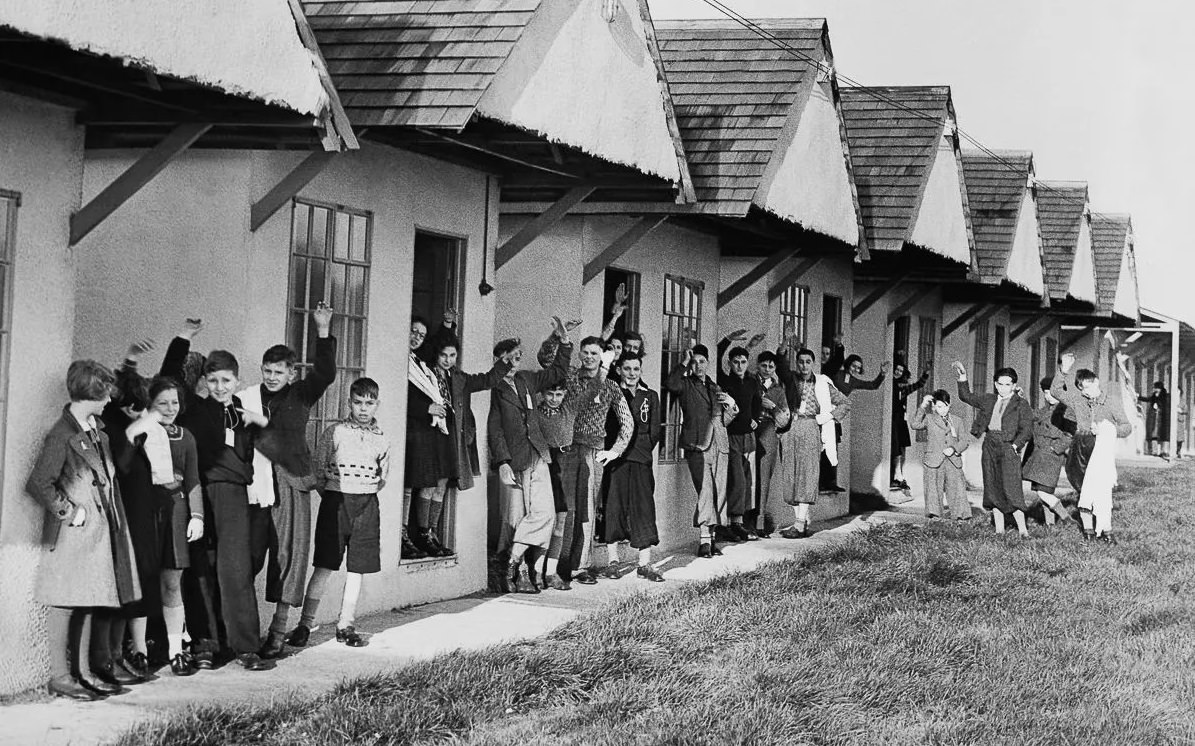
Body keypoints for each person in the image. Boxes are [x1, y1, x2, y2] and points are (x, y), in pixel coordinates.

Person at [27, 360, 141, 700]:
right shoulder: (62, 435)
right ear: (90, 393)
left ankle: (84, 672)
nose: (108, 401)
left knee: (90, 598)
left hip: (96, 534)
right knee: (64, 602)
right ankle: (60, 676)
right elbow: (39, 483)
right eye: (104, 394)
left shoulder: (97, 433)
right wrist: (70, 512)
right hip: (72, 535)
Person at [241, 302, 337, 659]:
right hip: (254, 484)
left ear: (291, 374)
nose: (271, 377)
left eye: (278, 371)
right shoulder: (248, 398)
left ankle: (277, 632)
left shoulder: (301, 394)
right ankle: (241, 633)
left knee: (288, 557)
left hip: (291, 482)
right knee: (248, 557)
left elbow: (325, 373)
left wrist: (322, 329)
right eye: (267, 370)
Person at [178, 348, 271, 670]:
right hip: (200, 493)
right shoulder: (195, 410)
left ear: (237, 381)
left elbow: (247, 456)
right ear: (205, 380)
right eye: (213, 380)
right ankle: (205, 643)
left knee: (236, 570)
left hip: (233, 496)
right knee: (201, 568)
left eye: (226, 380)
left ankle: (245, 646)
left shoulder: (244, 414)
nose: (220, 386)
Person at [287, 377, 391, 648]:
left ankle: (346, 623)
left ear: (376, 405)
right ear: (349, 403)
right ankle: (305, 624)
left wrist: (363, 490)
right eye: (358, 402)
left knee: (357, 568)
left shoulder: (382, 439)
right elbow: (319, 468)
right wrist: (334, 494)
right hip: (336, 503)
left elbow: (383, 476)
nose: (363, 408)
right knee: (324, 564)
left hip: (367, 505)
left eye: (369, 403)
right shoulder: (334, 432)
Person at [408, 319, 513, 556]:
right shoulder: (424, 370)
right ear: (436, 354)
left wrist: (505, 362)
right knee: (428, 484)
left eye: (453, 355)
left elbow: (486, 380)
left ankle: (431, 533)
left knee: (442, 484)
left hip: (450, 437)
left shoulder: (458, 377)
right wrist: (446, 326)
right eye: (444, 355)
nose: (448, 359)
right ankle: (421, 532)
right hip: (429, 434)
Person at [489, 317, 575, 592]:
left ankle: (511, 562)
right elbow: (495, 428)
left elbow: (557, 372)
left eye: (518, 357)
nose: (515, 362)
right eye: (510, 358)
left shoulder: (527, 379)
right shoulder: (494, 388)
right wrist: (502, 462)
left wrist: (564, 342)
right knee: (516, 519)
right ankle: (523, 572)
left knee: (546, 514)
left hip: (539, 455)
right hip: (514, 461)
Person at [537, 334, 632, 585]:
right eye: (586, 352)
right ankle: (559, 564)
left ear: (603, 357)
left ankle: (582, 567)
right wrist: (557, 336)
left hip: (593, 451)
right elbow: (544, 358)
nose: (589, 357)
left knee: (587, 510)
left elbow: (627, 422)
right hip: (566, 450)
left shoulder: (611, 387)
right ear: (580, 353)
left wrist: (615, 451)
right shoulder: (567, 378)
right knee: (565, 509)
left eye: (595, 353)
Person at [768, 342, 848, 539]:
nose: (804, 365)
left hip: (811, 427)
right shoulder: (791, 379)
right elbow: (782, 367)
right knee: (791, 473)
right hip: (790, 428)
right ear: (797, 363)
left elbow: (845, 402)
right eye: (801, 362)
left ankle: (800, 523)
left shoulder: (822, 383)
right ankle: (800, 524)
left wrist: (828, 417)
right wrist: (782, 350)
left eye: (808, 362)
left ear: (813, 364)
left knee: (808, 473)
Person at [597, 353, 664, 582]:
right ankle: (612, 562)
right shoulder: (613, 394)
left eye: (636, 369)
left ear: (641, 370)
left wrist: (641, 449)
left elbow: (655, 432)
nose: (632, 373)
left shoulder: (650, 396)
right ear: (619, 370)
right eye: (627, 369)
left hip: (641, 458)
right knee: (614, 506)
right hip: (617, 460)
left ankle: (644, 563)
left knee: (644, 508)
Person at [1052, 354, 1132, 543]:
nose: (1086, 392)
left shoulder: (1111, 401)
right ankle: (1088, 531)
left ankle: (1106, 531)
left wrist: (1107, 428)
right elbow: (1055, 391)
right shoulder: (1078, 399)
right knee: (1083, 489)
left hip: (1100, 449)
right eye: (1082, 389)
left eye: (1089, 387)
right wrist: (1064, 370)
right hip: (1080, 446)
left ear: (1096, 382)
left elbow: (1126, 427)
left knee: (1102, 490)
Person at [953, 361, 1033, 537]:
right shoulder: (989, 400)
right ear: (995, 384)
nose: (1003, 388)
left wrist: (1015, 445)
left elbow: (1027, 429)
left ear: (1014, 386)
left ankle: (1023, 531)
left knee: (1012, 487)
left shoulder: (1021, 404)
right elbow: (966, 396)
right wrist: (963, 378)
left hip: (1008, 446)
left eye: (1007, 384)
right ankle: (999, 531)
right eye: (1000, 384)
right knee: (992, 485)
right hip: (989, 444)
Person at [716, 331, 765, 540]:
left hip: (749, 437)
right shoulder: (726, 381)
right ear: (730, 363)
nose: (739, 365)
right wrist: (728, 339)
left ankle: (741, 521)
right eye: (735, 362)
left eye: (743, 362)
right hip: (732, 436)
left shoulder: (753, 383)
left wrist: (756, 418)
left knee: (747, 479)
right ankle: (730, 523)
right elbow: (717, 354)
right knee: (736, 479)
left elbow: (757, 402)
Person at [823, 353, 890, 493]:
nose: (855, 369)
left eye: (858, 368)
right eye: (853, 366)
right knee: (822, 447)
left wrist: (882, 374)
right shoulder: (837, 374)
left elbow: (872, 385)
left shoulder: (852, 380)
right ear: (848, 364)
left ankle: (830, 481)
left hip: (835, 416)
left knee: (832, 448)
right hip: (824, 411)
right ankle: (820, 481)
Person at [1021, 377, 1075, 527]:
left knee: (1043, 492)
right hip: (1038, 455)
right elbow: (1031, 415)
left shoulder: (1066, 411)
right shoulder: (1044, 410)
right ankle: (1050, 524)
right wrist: (1022, 399)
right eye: (1045, 393)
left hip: (1051, 457)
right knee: (1043, 491)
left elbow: (1070, 434)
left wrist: (1056, 448)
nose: (1048, 396)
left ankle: (1066, 518)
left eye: (1052, 393)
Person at [909, 390, 970, 520]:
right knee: (933, 489)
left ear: (949, 405)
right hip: (933, 460)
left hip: (953, 460)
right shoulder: (930, 419)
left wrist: (954, 448)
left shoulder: (957, 421)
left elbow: (965, 441)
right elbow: (915, 424)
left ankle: (960, 516)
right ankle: (934, 516)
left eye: (944, 406)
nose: (941, 410)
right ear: (934, 406)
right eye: (938, 407)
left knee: (957, 488)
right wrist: (923, 405)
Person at [753, 350, 788, 537]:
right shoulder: (751, 382)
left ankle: (759, 524)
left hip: (768, 431)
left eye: (771, 366)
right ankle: (741, 522)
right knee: (746, 477)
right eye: (764, 366)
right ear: (758, 365)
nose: (767, 370)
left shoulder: (778, 389)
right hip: (749, 429)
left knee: (764, 478)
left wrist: (772, 407)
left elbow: (784, 420)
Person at [890, 361, 930, 490]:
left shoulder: (903, 387)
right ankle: (897, 475)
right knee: (895, 447)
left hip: (901, 420)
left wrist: (926, 373)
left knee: (902, 447)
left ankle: (899, 475)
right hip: (893, 420)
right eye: (896, 369)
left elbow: (919, 384)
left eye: (900, 371)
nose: (898, 372)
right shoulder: (890, 385)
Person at [1139, 381, 1170, 458]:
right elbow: (1148, 399)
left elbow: (1165, 405)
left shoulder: (1165, 396)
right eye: (1155, 388)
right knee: (1155, 434)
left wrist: (1158, 404)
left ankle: (1163, 451)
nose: (1156, 390)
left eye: (1157, 388)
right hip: (1155, 418)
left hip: (1162, 419)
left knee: (1162, 435)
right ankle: (1156, 451)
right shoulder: (1154, 396)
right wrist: (1139, 397)